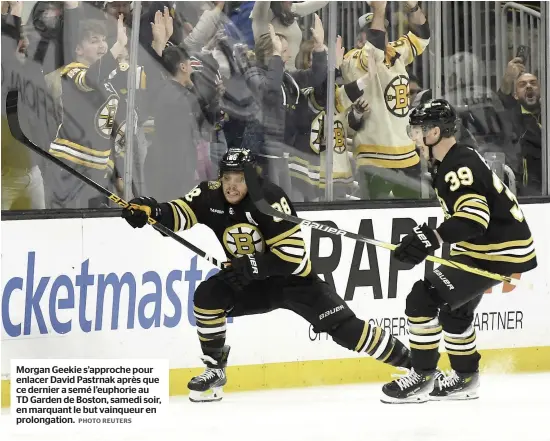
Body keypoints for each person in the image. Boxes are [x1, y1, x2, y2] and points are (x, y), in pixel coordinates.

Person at [122, 147, 412, 402]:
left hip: (293, 282)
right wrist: (152, 211)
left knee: (345, 329)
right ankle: (215, 370)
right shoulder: (208, 193)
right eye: (227, 178)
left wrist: (253, 266)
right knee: (207, 296)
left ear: (252, 177)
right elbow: (180, 213)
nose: (231, 187)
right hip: (250, 283)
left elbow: (294, 259)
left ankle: (416, 367)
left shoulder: (270, 199)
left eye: (239, 179)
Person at [381, 99, 537, 404]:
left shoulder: (457, 166)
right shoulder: (455, 159)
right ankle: (465, 379)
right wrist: (433, 237)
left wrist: (433, 237)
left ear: (435, 132)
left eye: (417, 131)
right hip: (493, 247)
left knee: (421, 299)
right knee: (455, 312)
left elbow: (473, 220)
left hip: (495, 252)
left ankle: (422, 377)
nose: (414, 137)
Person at [340, 1, 430, 200]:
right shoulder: (352, 60)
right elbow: (374, 50)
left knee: (415, 218)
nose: (380, 30)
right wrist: (378, 10)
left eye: (382, 26)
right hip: (374, 158)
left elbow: (422, 36)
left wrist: (413, 7)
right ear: (358, 39)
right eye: (370, 29)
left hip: (407, 155)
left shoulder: (395, 52)